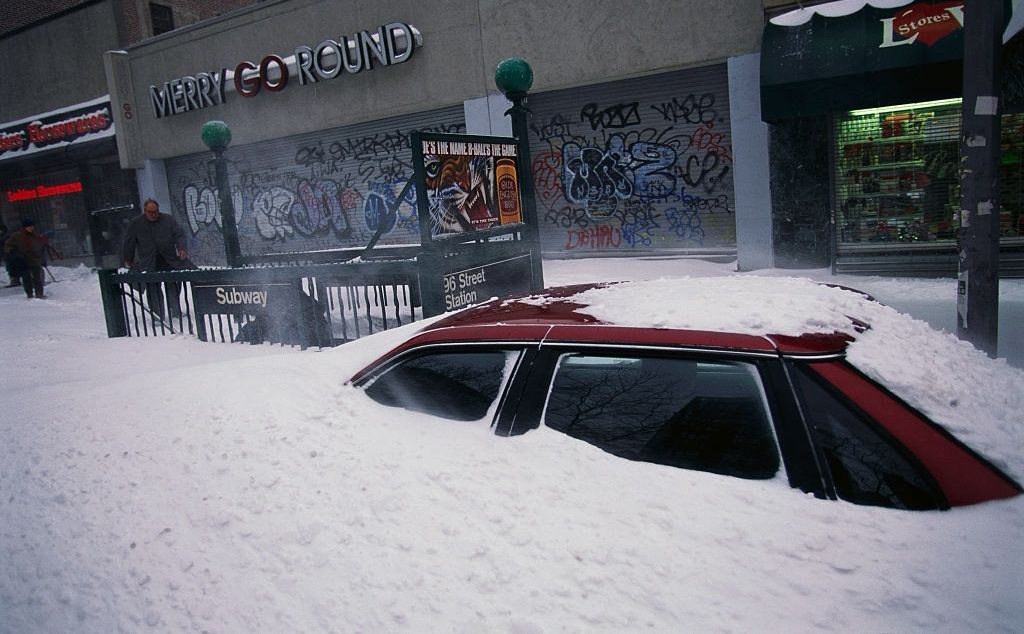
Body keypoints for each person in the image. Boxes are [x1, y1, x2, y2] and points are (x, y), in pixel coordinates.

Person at [122, 198, 193, 318]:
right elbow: (129, 242)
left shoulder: (168, 220)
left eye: (155, 211)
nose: (154, 215)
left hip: (168, 259)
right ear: (145, 211)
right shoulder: (136, 223)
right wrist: (128, 258)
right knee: (153, 288)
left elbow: (179, 235)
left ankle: (175, 310)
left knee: (173, 285)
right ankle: (157, 314)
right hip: (149, 261)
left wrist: (182, 249)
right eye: (150, 212)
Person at [4, 219, 53, 299]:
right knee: (26, 278)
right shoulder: (17, 236)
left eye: (32, 226)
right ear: (24, 227)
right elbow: (7, 246)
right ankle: (29, 294)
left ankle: (39, 294)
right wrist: (13, 252)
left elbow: (39, 247)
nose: (31, 228)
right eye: (29, 226)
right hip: (23, 260)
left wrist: (42, 258)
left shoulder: (35, 235)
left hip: (35, 259)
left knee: (37, 278)